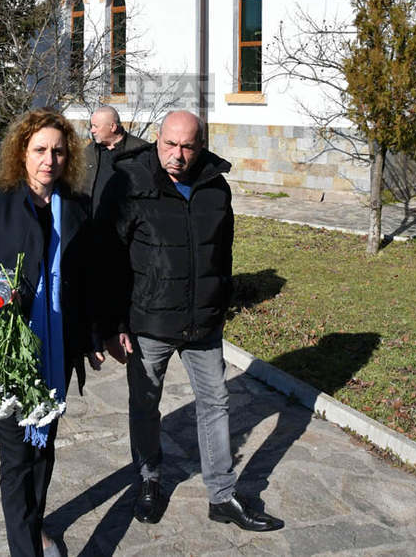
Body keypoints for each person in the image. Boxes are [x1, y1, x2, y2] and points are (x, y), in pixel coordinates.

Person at [98, 110, 283, 533]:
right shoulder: (128, 183)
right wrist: (113, 323)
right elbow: (108, 259)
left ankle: (221, 495)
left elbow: (223, 253)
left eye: (187, 146)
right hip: (148, 320)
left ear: (201, 145)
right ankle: (148, 478)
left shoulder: (216, 188)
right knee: (145, 405)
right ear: (156, 139)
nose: (177, 155)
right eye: (169, 144)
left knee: (216, 403)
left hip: (203, 322)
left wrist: (221, 302)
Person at [0, 109, 102, 557]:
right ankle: (26, 549)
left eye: (59, 151)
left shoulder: (76, 207)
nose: (49, 159)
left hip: (55, 349)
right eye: (40, 149)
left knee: (42, 451)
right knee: (17, 459)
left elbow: (85, 281)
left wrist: (94, 336)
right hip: (5, 351)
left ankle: (35, 525)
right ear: (22, 152)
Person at [83, 105, 145, 215]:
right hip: (93, 226)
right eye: (91, 126)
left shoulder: (141, 151)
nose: (92, 130)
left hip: (128, 226)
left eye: (95, 126)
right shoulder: (89, 152)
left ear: (112, 127)